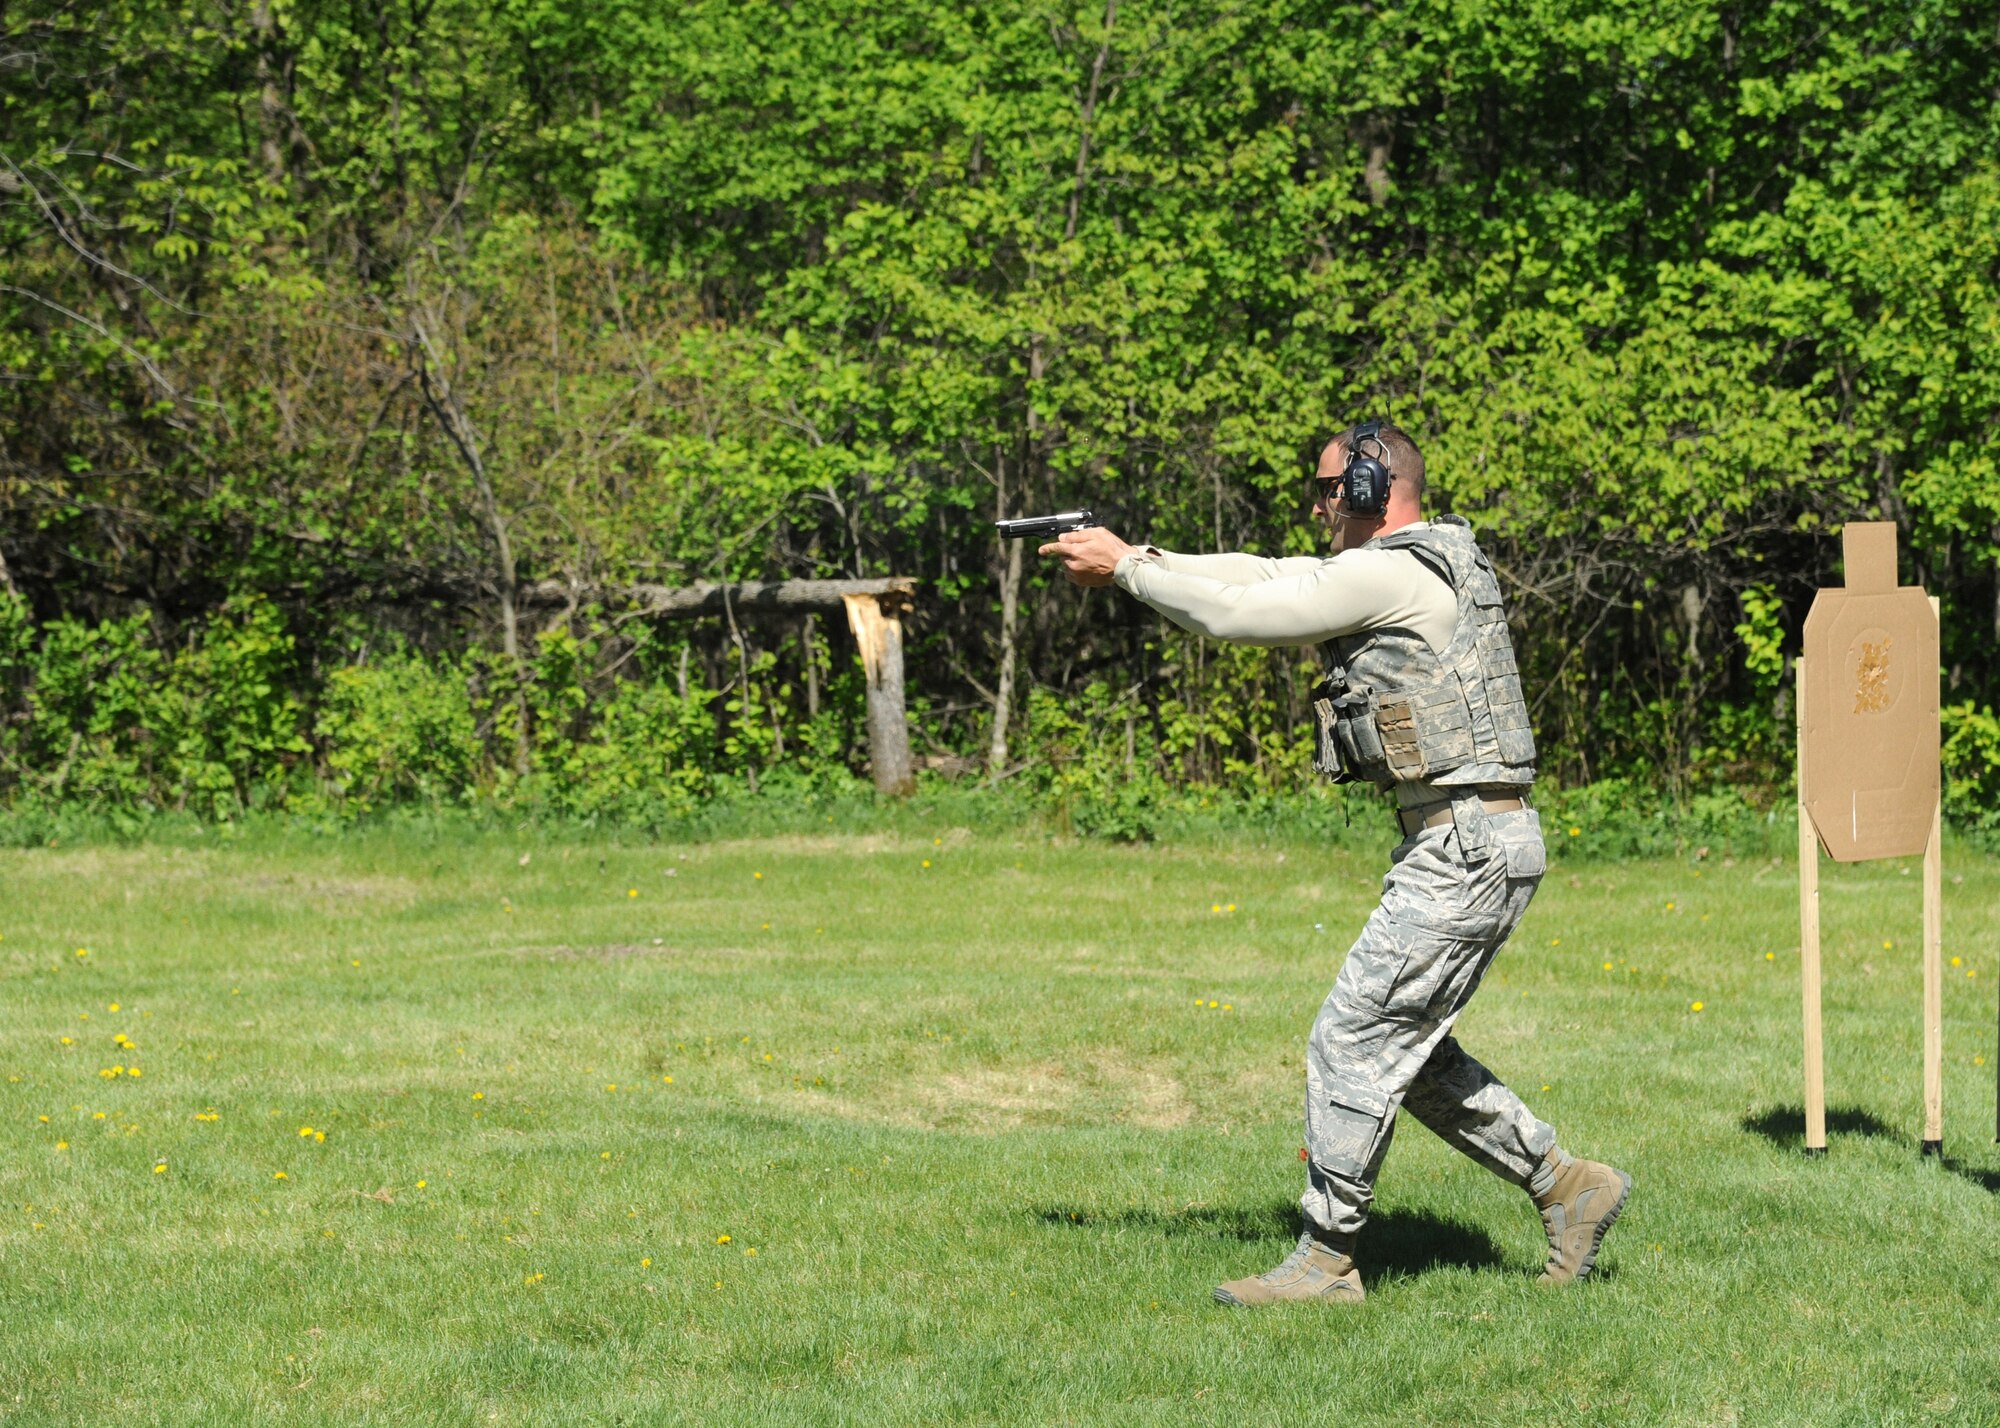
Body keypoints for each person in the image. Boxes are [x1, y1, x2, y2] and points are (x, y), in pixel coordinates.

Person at [1038, 420, 1630, 1306]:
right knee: (1407, 1050)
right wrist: (1140, 554)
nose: (1316, 507)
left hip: (1464, 843)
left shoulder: (1393, 570)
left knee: (1349, 1038)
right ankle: (1565, 1184)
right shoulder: (1411, 563)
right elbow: (1260, 572)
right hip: (1466, 838)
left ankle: (1327, 1261)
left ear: (1366, 487)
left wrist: (1125, 571)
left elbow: (1241, 614)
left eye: (1326, 490)